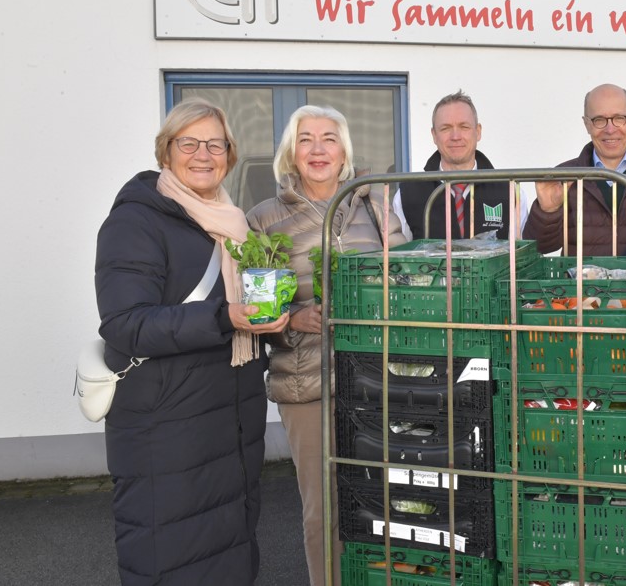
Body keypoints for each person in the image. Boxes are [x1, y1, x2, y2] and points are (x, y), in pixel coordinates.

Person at [95, 98, 289, 585]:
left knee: (228, 548)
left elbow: (244, 314)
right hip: (166, 427)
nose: (203, 155)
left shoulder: (233, 223)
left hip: (230, 420)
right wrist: (224, 317)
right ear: (166, 151)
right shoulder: (136, 221)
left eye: (215, 145)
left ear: (229, 154)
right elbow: (126, 324)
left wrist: (278, 323)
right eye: (189, 143)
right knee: (171, 554)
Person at [246, 105, 406, 586]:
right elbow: (255, 311)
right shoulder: (264, 219)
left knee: (385, 503)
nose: (318, 149)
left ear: (344, 151)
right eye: (306, 139)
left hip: (376, 378)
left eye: (329, 138)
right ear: (291, 153)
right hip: (307, 382)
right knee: (323, 511)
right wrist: (293, 319)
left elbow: (406, 279)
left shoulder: (374, 205)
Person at [522, 82, 626, 255]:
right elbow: (539, 248)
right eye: (599, 120)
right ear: (586, 124)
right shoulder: (563, 177)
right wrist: (548, 211)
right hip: (581, 275)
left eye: (619, 118)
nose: (610, 130)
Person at [394, 89, 527, 241]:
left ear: (478, 132)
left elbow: (524, 252)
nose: (455, 137)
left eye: (464, 127)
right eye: (445, 128)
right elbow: (399, 253)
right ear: (434, 135)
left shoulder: (511, 192)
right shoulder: (407, 195)